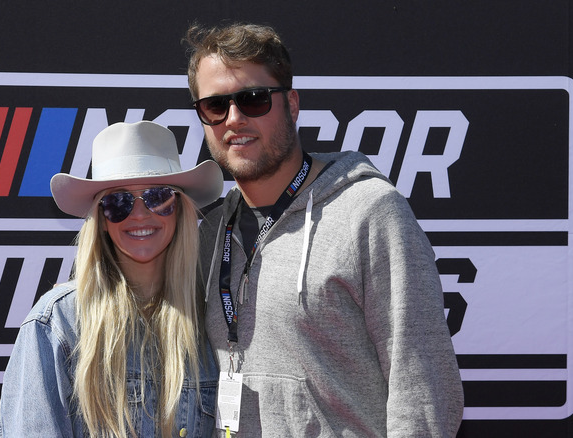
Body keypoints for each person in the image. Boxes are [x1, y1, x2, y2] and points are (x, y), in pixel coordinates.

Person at [185, 23, 464, 437]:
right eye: (215, 106)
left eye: (254, 99)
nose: (235, 119)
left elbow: (424, 394)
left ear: (291, 104)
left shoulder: (369, 211)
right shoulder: (207, 233)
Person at [0, 121, 224, 437]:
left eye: (157, 197)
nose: (140, 214)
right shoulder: (58, 323)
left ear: (181, 211)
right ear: (101, 220)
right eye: (118, 202)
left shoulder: (213, 321)